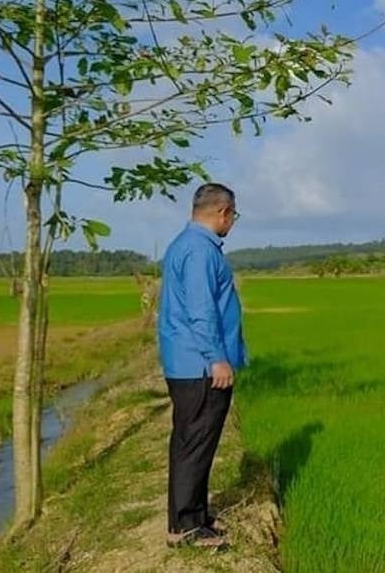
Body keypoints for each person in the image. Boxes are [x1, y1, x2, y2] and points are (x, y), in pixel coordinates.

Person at [157, 183, 248, 548]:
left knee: (192, 442)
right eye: (234, 215)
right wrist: (217, 359)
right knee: (195, 443)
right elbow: (201, 311)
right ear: (223, 212)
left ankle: (193, 517)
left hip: (189, 363)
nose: (233, 222)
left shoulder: (187, 244)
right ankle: (185, 528)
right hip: (200, 366)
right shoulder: (199, 250)